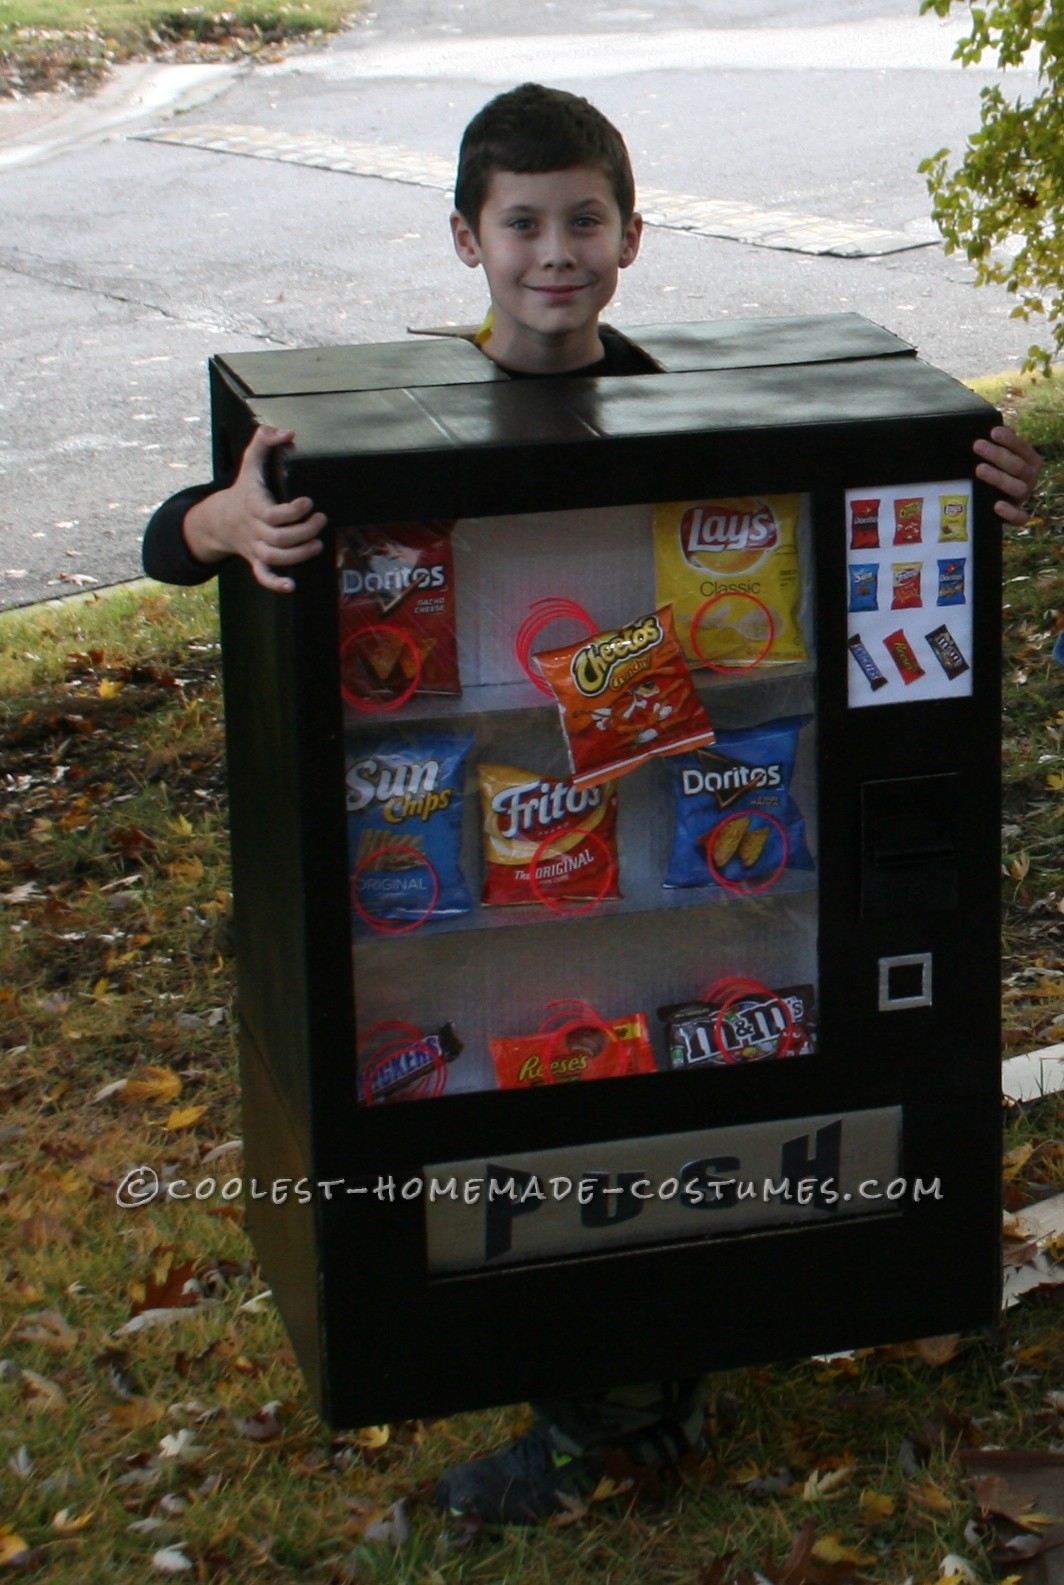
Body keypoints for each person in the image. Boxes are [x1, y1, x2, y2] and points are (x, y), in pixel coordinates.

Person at [142, 83, 1044, 1523]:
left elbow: (902, 500)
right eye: (522, 222)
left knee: (684, 1101)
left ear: (630, 235)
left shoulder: (683, 405)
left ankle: (635, 1404)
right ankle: (615, 1407)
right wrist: (218, 519)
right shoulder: (386, 433)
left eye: (584, 220)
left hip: (691, 858)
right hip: (530, 888)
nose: (554, 251)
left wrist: (974, 485)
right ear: (465, 238)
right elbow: (182, 534)